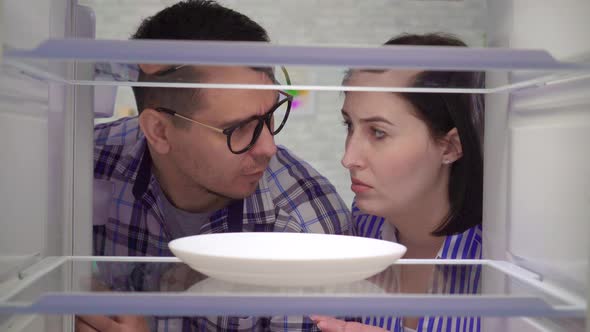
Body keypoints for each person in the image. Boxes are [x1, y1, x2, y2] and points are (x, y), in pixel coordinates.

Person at [83, 1, 351, 331]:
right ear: (159, 131)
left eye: (269, 116)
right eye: (238, 128)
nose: (268, 147)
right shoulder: (86, 162)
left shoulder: (308, 233)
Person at [311, 33, 484, 332]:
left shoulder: (497, 257)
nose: (348, 158)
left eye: (378, 133)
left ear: (450, 147)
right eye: (349, 126)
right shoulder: (363, 228)